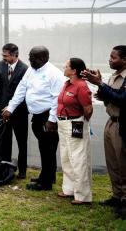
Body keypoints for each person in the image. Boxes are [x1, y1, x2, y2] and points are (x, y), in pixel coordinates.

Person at [2, 46, 65, 191]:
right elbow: (21, 89)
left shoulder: (54, 74)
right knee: (44, 148)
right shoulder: (31, 70)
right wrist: (10, 108)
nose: (29, 60)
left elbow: (57, 99)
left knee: (48, 149)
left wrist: (52, 120)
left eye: (33, 57)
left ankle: (46, 182)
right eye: (29, 57)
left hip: (48, 117)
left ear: (44, 58)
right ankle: (47, 175)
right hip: (37, 116)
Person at [82, 45, 126, 218]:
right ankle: (117, 196)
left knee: (123, 164)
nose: (110, 60)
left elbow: (122, 99)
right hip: (111, 122)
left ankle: (125, 201)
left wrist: (100, 84)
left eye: (113, 57)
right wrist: (101, 87)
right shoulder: (115, 76)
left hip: (122, 124)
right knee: (113, 163)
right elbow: (110, 97)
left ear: (124, 60)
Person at [57, 58, 93, 205]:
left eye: (66, 66)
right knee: (66, 157)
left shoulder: (81, 86)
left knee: (78, 158)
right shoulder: (67, 84)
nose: (63, 67)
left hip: (75, 123)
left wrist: (81, 123)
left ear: (74, 71)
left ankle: (83, 195)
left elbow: (88, 109)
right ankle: (69, 189)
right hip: (63, 123)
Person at [0, 43, 29, 179]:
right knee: (5, 141)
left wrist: (12, 108)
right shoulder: (1, 65)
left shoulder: (25, 69)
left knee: (21, 142)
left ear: (14, 55)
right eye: (3, 55)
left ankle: (22, 171)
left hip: (19, 112)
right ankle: (5, 168)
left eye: (6, 55)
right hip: (2, 111)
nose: (3, 58)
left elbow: (25, 93)